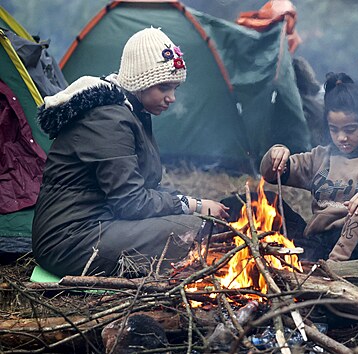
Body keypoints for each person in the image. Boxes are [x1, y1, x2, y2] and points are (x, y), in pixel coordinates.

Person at [32, 28, 230, 278]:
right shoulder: (109, 119)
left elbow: (141, 188)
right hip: (69, 241)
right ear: (141, 82)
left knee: (198, 226)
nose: (172, 98)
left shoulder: (130, 112)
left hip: (99, 223)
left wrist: (190, 202)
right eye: (164, 87)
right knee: (192, 229)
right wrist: (193, 205)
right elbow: (131, 202)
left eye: (175, 88)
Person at [260, 72, 358, 262]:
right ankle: (311, 264)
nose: (342, 138)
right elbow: (272, 175)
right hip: (318, 241)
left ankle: (335, 269)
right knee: (265, 200)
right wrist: (277, 154)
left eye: (350, 130)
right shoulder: (321, 156)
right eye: (334, 129)